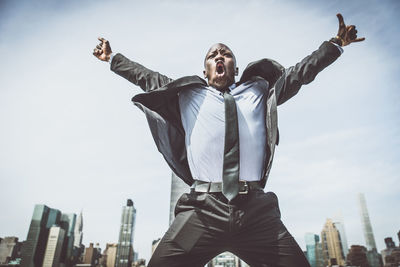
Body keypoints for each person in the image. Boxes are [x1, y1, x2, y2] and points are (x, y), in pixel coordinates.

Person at [93, 13, 364, 267]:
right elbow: (146, 77)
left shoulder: (259, 90)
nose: (219, 56)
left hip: (257, 216)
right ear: (206, 70)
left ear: (234, 68)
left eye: (226, 53)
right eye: (213, 55)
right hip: (201, 214)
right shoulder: (187, 94)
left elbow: (300, 73)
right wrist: (112, 58)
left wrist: (336, 44)